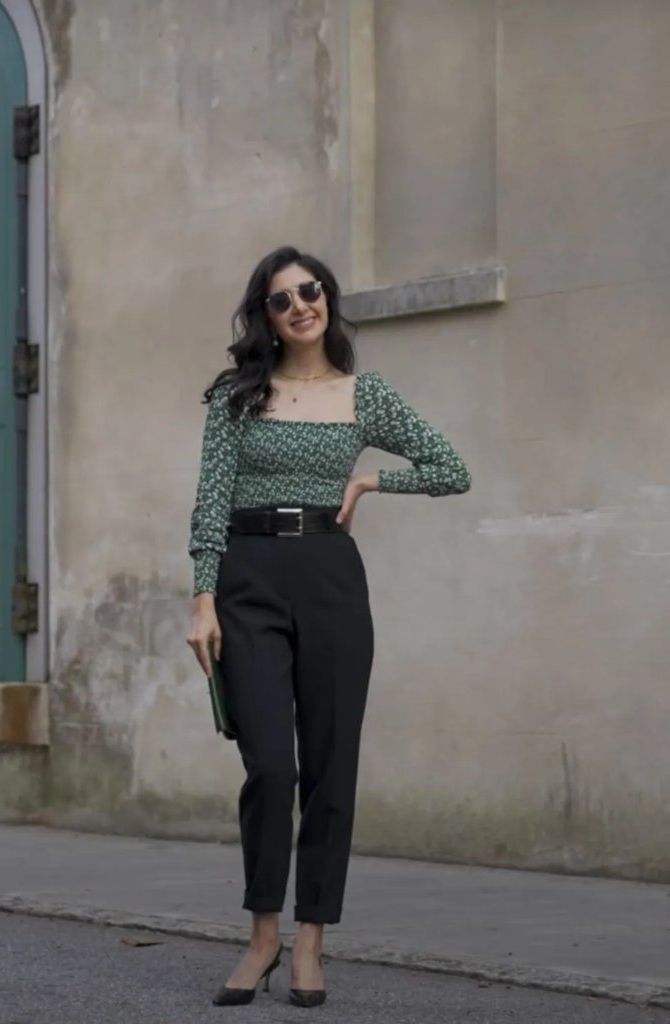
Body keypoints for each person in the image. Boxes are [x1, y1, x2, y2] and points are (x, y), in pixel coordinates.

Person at [187, 246, 471, 1008]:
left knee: (330, 766)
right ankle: (262, 935)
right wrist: (203, 598)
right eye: (281, 299)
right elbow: (211, 498)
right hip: (247, 579)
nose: (300, 306)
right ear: (267, 317)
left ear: (328, 298)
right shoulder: (237, 396)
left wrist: (372, 479)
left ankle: (310, 938)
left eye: (309, 290)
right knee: (270, 767)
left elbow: (452, 469)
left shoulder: (365, 395)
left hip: (331, 581)